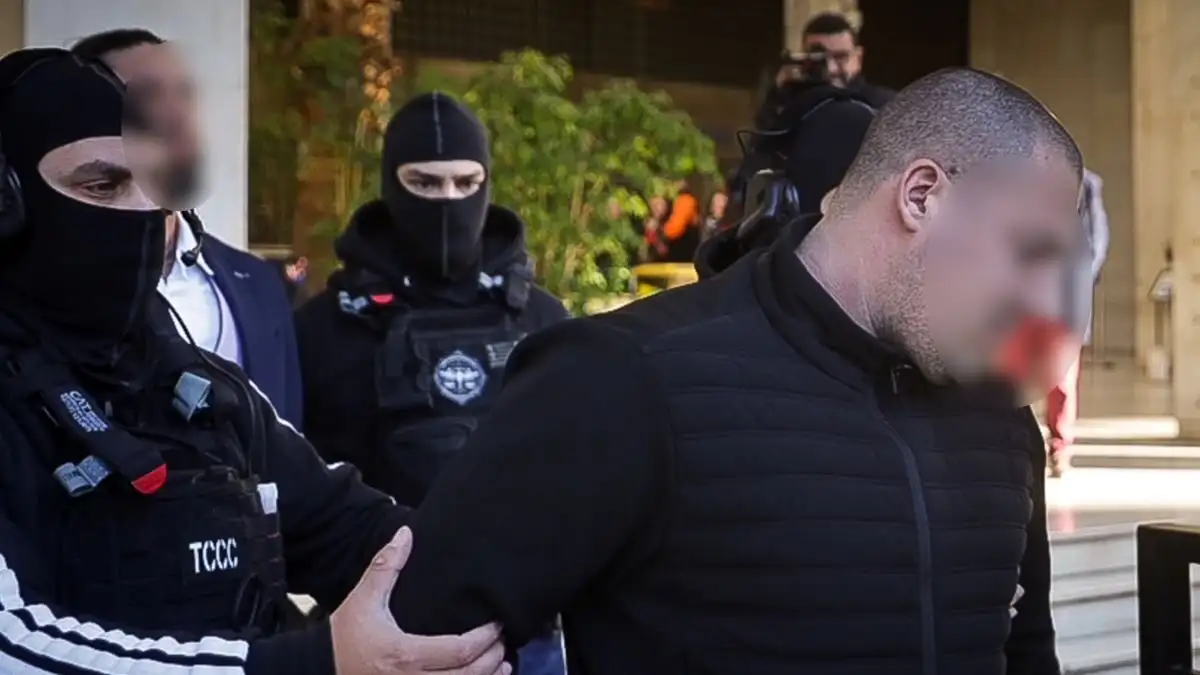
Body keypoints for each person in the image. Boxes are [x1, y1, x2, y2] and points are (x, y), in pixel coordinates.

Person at [387, 67, 1074, 675]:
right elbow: (416, 639)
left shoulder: (1001, 423)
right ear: (922, 195)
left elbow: (1028, 656)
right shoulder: (622, 379)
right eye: (1028, 251)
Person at [0, 47, 508, 675]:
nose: (141, 212)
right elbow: (15, 646)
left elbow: (355, 530)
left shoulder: (205, 388)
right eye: (102, 186)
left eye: (150, 183)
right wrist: (311, 663)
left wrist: (525, 575)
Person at [293, 91, 567, 674]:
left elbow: (580, 464)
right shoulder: (323, 327)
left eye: (466, 182)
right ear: (391, 183)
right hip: (374, 631)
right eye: (424, 182)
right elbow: (298, 481)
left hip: (526, 627)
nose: (447, 200)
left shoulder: (542, 318)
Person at [70, 28, 304, 428]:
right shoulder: (42, 285)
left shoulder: (259, 285)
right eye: (147, 96)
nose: (177, 115)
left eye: (185, 94)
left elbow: (293, 437)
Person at [1045, 168, 1109, 476]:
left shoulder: (1088, 184)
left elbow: (1098, 239)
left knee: (1061, 377)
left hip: (1068, 293)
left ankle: (1059, 447)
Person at [801, 12, 894, 108]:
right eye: (818, 58)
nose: (831, 69)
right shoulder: (795, 104)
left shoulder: (886, 105)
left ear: (858, 58)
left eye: (840, 57)